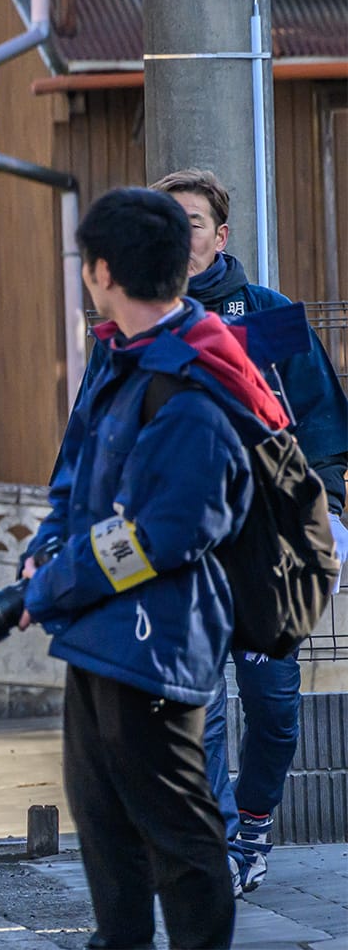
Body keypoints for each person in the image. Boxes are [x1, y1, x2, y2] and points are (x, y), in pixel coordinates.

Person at [20, 186, 291, 950]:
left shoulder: (196, 375)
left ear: (102, 270)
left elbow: (163, 536)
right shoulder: (122, 356)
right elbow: (76, 474)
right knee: (104, 827)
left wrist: (57, 580)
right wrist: (48, 545)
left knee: (178, 834)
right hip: (98, 636)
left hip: (161, 638)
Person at [149, 169, 348, 896]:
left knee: (273, 705)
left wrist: (325, 504)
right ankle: (222, 843)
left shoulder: (266, 312)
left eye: (191, 222)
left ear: (219, 235)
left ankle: (256, 822)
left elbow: (321, 418)